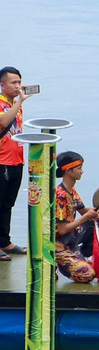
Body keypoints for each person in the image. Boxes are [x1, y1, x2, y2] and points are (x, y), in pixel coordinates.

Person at [0, 66, 33, 260]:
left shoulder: (16, 104)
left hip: (16, 161)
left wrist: (18, 102)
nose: (18, 86)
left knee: (7, 204)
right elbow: (3, 122)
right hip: (1, 161)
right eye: (14, 83)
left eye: (19, 82)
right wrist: (19, 101)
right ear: (2, 85)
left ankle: (4, 241)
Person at [54, 151, 99, 283]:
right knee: (87, 274)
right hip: (59, 243)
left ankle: (83, 253)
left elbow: (83, 210)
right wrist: (85, 217)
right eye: (79, 168)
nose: (82, 171)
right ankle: (56, 261)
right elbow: (62, 230)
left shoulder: (71, 190)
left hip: (71, 238)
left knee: (98, 218)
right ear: (68, 170)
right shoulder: (60, 195)